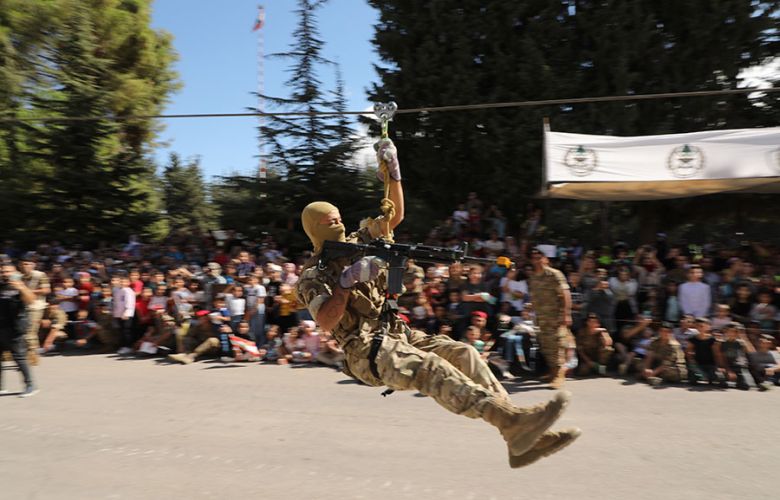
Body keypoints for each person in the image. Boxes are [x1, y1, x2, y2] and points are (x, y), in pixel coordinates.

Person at [294, 139, 578, 469]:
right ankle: (512, 421)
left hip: (397, 333)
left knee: (465, 354)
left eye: (339, 217)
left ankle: (516, 437)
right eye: (330, 222)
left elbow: (393, 215)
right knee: (433, 368)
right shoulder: (313, 275)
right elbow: (327, 322)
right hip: (365, 349)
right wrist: (345, 283)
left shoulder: (359, 243)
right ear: (315, 228)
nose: (339, 224)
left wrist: (394, 171)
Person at [527, 248, 573, 389]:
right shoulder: (533, 277)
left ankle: (559, 374)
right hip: (541, 317)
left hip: (555, 316)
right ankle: (552, 371)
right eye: (534, 257)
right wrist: (532, 310)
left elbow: (565, 294)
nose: (537, 259)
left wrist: (566, 313)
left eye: (539, 256)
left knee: (556, 344)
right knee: (545, 344)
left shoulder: (554, 274)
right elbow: (535, 297)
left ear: (546, 259)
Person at [0, 258, 39, 397]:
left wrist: (21, 287)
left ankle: (31, 386)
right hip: (1, 325)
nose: (5, 274)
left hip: (16, 327)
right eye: (3, 271)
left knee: (19, 357)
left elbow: (31, 300)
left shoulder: (20, 285)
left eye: (8, 271)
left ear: (15, 272)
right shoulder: (1, 286)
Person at [640, 322, 687, 387]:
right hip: (658, 365)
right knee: (639, 363)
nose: (664, 333)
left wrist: (653, 372)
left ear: (671, 333)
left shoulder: (674, 345)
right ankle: (652, 377)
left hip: (674, 368)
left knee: (670, 372)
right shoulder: (654, 341)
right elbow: (649, 356)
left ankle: (654, 377)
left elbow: (667, 363)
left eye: (667, 331)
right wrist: (646, 369)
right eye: (662, 330)